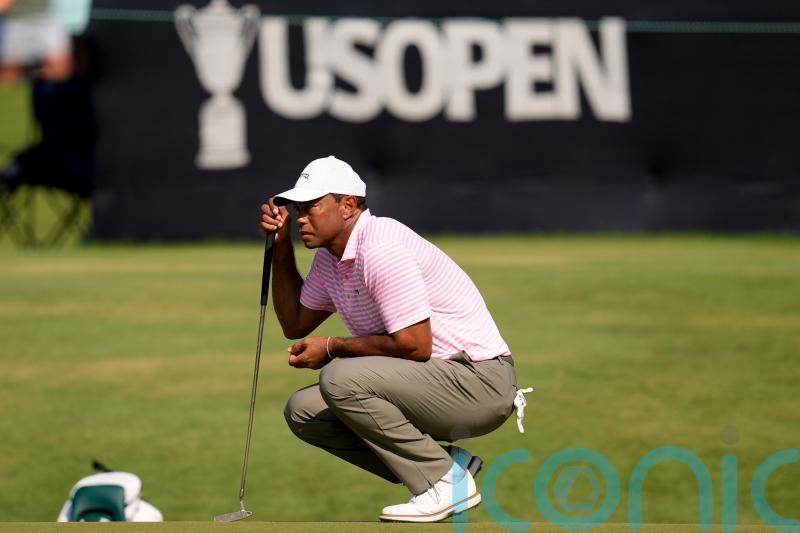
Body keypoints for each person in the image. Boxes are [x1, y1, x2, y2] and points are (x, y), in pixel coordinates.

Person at [259, 155, 528, 522]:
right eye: (297, 209)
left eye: (310, 207)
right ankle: (448, 465)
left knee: (340, 378)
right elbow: (294, 323)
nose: (301, 217)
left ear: (348, 206)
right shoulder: (331, 258)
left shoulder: (381, 246)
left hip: (480, 383)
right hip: (437, 381)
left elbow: (416, 345)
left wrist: (333, 347)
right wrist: (280, 244)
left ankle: (445, 483)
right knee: (304, 412)